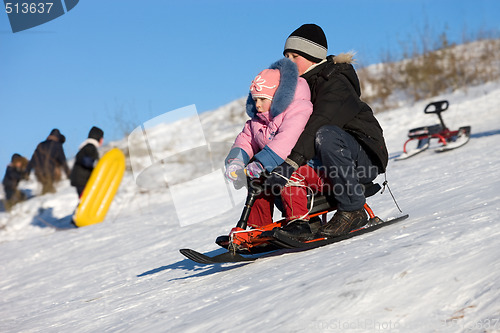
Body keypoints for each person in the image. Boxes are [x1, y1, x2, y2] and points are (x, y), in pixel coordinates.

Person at [268, 24, 389, 239]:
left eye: (295, 56)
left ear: (313, 56)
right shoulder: (298, 89)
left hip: (362, 160)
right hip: (328, 162)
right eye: (286, 56)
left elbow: (319, 123)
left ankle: (353, 209)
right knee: (273, 163)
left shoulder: (336, 83)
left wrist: (292, 161)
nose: (288, 62)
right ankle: (303, 220)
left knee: (325, 134)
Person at [224, 57, 318, 228]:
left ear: (276, 97)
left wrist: (261, 163)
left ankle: (299, 223)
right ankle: (258, 228)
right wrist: (236, 162)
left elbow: (287, 139)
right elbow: (245, 140)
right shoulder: (257, 122)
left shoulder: (298, 110)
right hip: (278, 168)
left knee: (286, 173)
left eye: (262, 99)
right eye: (255, 99)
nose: (257, 105)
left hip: (311, 168)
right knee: (255, 180)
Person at [26, 128, 70, 194]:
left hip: (38, 172)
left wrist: (27, 172)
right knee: (49, 190)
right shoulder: (57, 145)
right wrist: (69, 174)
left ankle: (45, 196)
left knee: (46, 187)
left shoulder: (40, 145)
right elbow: (62, 160)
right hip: (50, 171)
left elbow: (33, 159)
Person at [70, 126, 104, 197]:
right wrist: (95, 164)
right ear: (99, 139)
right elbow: (86, 160)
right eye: (102, 138)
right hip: (82, 181)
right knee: (86, 199)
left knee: (84, 199)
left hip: (79, 180)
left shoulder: (86, 147)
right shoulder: (90, 147)